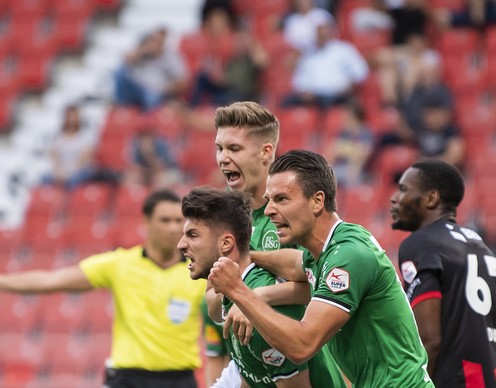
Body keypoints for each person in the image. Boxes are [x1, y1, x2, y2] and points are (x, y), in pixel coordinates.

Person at [209, 149, 434, 387]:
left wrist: (240, 292)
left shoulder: (348, 255)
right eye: (269, 200)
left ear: (317, 201)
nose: (268, 211)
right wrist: (246, 257)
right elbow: (295, 263)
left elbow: (302, 345)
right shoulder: (323, 251)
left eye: (282, 199)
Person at [0, 189, 207, 388]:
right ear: (146, 222)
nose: (172, 228)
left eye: (178, 221)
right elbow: (51, 280)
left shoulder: (199, 272)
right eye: (165, 220)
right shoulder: (120, 264)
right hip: (128, 377)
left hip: (180, 379)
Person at [178, 187, 346, 387]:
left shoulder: (261, 310)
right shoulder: (233, 296)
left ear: (226, 243)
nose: (181, 244)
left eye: (193, 235)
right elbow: (252, 377)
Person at [390, 160, 496, 387]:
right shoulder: (480, 245)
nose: (394, 198)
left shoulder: (421, 243)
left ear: (431, 198)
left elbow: (429, 340)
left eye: (404, 189)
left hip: (462, 379)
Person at [281, 15, 369, 110]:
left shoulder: (344, 49)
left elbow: (361, 71)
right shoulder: (308, 54)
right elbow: (299, 80)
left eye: (324, 31)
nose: (321, 34)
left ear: (330, 31)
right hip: (314, 97)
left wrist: (350, 85)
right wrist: (304, 92)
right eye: (318, 32)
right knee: (285, 103)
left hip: (337, 95)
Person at [114, 27, 189, 111]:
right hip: (136, 87)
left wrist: (166, 88)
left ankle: (146, 119)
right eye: (154, 40)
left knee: (152, 97)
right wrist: (144, 51)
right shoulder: (143, 50)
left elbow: (183, 80)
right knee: (119, 72)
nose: (156, 44)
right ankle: (121, 109)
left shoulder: (171, 56)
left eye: (159, 41)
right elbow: (125, 60)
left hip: (157, 92)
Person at [124, 124, 183, 188]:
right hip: (147, 173)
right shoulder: (137, 144)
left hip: (167, 172)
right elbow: (134, 167)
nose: (145, 138)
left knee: (159, 180)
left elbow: (160, 168)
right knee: (130, 178)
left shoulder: (161, 144)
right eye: (143, 135)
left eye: (148, 134)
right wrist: (145, 174)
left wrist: (148, 154)